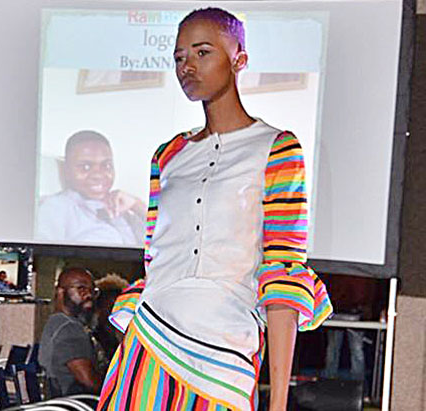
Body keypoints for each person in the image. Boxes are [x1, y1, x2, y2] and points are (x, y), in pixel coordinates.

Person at [97, 8, 333, 411]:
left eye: (202, 52)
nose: (187, 66)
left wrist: (278, 402)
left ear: (239, 60)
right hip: (149, 342)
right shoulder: (167, 156)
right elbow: (156, 261)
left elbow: (283, 273)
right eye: (179, 57)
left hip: (225, 356)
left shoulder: (277, 148)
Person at [36, 130, 146, 246]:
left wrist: (136, 204)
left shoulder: (120, 208)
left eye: (106, 165)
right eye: (85, 167)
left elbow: (156, 244)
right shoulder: (56, 207)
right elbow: (42, 252)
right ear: (67, 171)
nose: (98, 175)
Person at [39, 268, 103, 396]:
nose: (89, 295)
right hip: (75, 401)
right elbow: (88, 380)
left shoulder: (56, 321)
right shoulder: (69, 328)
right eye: (81, 288)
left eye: (93, 290)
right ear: (61, 292)